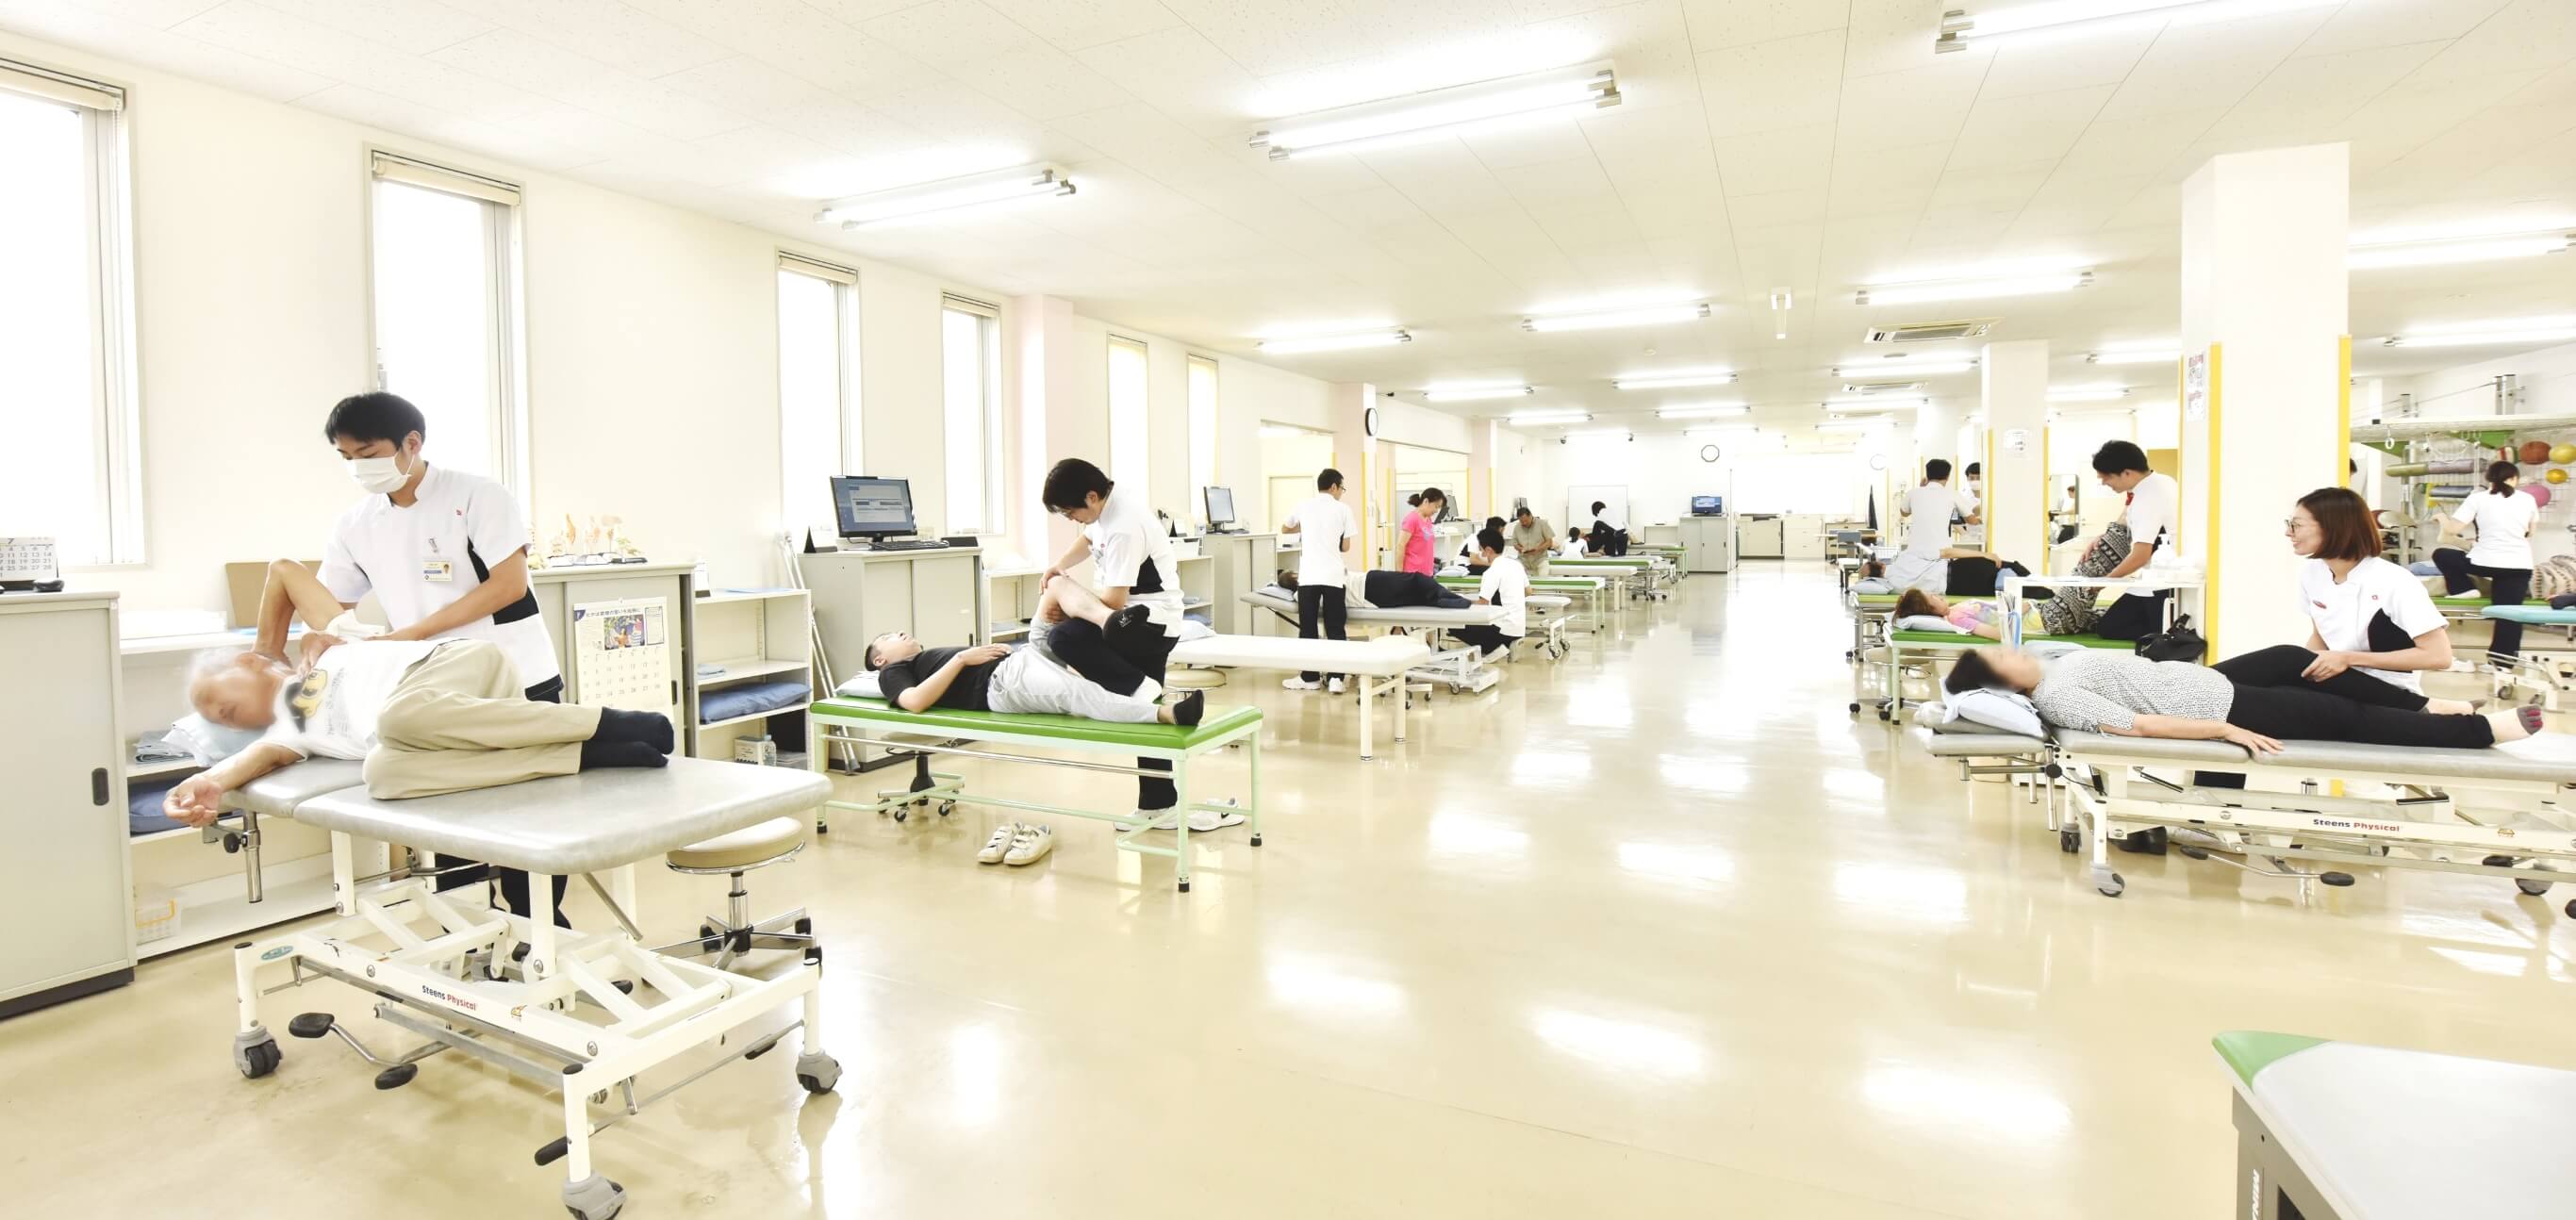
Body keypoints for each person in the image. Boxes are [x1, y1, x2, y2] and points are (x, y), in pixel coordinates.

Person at [316, 391, 569, 922]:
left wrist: (409, 635)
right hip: (434, 687)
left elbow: (507, 585)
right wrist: (320, 639)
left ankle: (542, 933)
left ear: (411, 443)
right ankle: (472, 933)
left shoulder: (478, 496)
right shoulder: (355, 524)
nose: (358, 467)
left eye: (368, 454)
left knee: (530, 815)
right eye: (346, 458)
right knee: (450, 819)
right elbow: (331, 604)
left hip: (514, 674)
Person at [167, 637, 673, 824]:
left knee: (395, 717)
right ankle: (585, 754)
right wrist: (206, 782)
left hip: (456, 666)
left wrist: (319, 636)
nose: (221, 716)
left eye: (218, 701)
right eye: (216, 720)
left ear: (248, 661)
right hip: (446, 727)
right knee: (382, 773)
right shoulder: (286, 732)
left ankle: (607, 722)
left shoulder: (321, 652)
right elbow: (253, 760)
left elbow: (286, 573)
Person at [864, 623, 1206, 868]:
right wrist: (963, 659)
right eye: (889, 637)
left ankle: (1134, 676)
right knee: (1078, 695)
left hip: (1019, 659)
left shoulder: (922, 658)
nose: (901, 633)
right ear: (880, 660)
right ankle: (1164, 714)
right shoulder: (893, 672)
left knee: (1060, 616)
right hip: (1002, 684)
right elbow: (914, 701)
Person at [1943, 645, 2535, 751]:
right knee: (2343, 716)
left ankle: (2424, 707)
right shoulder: (2060, 697)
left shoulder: (2053, 669)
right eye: (2004, 658)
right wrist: (2224, 730)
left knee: (2294, 658)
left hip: (2208, 682)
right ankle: (2482, 732)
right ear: (2006, 683)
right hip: (2219, 709)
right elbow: (2137, 726)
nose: (2013, 650)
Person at [1040, 457, 1187, 823]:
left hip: (1147, 623)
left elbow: (1114, 602)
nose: (1071, 519)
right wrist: (1060, 567)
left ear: (1091, 496)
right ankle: (1158, 804)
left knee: (1065, 637)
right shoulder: (1106, 508)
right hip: (1132, 619)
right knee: (1146, 713)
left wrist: (1070, 603)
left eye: (1070, 512)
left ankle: (1136, 687)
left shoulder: (1124, 525)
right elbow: (1088, 537)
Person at [2286, 486, 2455, 700]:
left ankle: (2446, 710)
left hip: (2388, 689)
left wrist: (2347, 659)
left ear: (2333, 527)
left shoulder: (2394, 580)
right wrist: (2303, 674)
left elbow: (2439, 656)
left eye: (2297, 525)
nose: (2288, 533)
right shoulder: (2311, 573)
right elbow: (2320, 637)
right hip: (2337, 683)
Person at [2436, 460, 2537, 666]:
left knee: (2442, 554)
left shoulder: (2477, 498)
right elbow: (2530, 533)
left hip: (2484, 562)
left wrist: (2441, 518)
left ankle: (2464, 589)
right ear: (2514, 478)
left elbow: (2452, 530)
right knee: (2509, 615)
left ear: (2489, 479)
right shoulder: (2528, 499)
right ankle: (2502, 664)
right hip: (2519, 565)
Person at [2086, 440, 2180, 640]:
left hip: (2162, 584)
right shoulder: (2162, 482)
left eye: (2107, 477)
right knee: (2109, 625)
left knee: (2113, 628)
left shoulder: (2149, 498)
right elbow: (2129, 520)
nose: (2104, 483)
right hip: (2156, 579)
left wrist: (2104, 582)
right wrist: (2102, 537)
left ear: (2127, 473)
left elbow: (2140, 556)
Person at [1280, 468, 1358, 693]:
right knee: (1335, 629)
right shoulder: (1343, 509)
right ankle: (1336, 679)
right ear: (1333, 487)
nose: (1342, 492)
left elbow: (1285, 528)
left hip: (1309, 577)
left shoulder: (1303, 505)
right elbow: (1345, 547)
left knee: (1308, 629)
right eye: (1342, 488)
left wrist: (1306, 527)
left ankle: (1310, 678)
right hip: (1333, 576)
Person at [1888, 459, 1964, 592]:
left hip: (1917, 551)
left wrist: (1921, 488)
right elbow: (1971, 518)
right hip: (1941, 554)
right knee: (1935, 580)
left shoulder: (1913, 493)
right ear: (1947, 477)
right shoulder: (1953, 494)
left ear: (1927, 476)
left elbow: (1904, 512)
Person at [1453, 527, 1526, 659]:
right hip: (1519, 629)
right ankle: (1501, 645)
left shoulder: (1491, 572)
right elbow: (1529, 591)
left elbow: (1482, 604)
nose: (1480, 553)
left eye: (1480, 550)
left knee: (1454, 625)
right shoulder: (1516, 565)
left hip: (1503, 631)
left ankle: (1494, 649)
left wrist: (1461, 603)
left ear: (1488, 550)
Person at [1892, 587, 2044, 641]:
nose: (1937, 595)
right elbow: (2000, 635)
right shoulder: (1957, 619)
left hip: (2034, 612)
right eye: (1933, 597)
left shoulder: (1955, 609)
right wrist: (2019, 610)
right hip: (2036, 621)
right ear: (1930, 610)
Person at [1398, 486, 1446, 575]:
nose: (1436, 511)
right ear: (1426, 501)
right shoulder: (1411, 519)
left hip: (1427, 572)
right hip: (1413, 573)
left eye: (1438, 508)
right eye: (1436, 506)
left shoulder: (1428, 519)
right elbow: (1400, 545)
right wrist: (1399, 574)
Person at [1509, 504, 1555, 577]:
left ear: (1531, 515)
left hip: (1540, 559)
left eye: (1526, 521)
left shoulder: (1542, 524)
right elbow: (1515, 544)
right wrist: (1521, 549)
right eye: (1521, 521)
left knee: (1544, 578)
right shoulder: (1517, 527)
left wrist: (1538, 549)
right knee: (1516, 575)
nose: (1524, 523)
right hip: (1523, 560)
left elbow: (1549, 542)